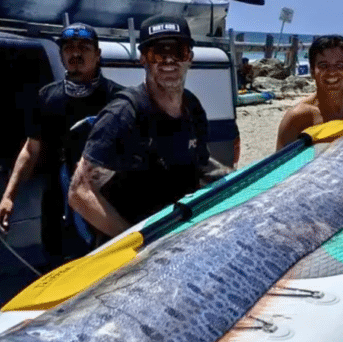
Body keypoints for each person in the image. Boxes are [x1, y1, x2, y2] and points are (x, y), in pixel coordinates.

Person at [68, 15, 231, 239]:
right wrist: (134, 240)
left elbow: (202, 167)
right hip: (139, 243)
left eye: (178, 52)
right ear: (143, 59)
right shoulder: (124, 115)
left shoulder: (193, 109)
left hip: (179, 232)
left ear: (190, 58)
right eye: (158, 54)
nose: (168, 61)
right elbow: (79, 192)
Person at [0, 23, 123, 262]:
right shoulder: (47, 97)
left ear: (98, 54)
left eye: (84, 47)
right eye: (69, 48)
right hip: (56, 209)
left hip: (103, 205)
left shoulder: (118, 99)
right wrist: (9, 196)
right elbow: (31, 150)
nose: (76, 54)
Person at [275, 35, 343, 150]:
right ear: (312, 71)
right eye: (323, 65)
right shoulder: (297, 117)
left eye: (339, 65)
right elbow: (280, 165)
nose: (332, 71)